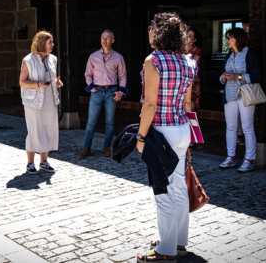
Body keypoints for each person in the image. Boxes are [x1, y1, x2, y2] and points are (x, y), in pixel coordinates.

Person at [135, 13, 196, 263]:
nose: (149, 31)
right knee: (179, 186)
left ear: (158, 32)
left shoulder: (153, 61)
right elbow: (188, 102)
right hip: (182, 129)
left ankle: (166, 249)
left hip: (161, 132)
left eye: (151, 27)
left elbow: (150, 104)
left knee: (163, 190)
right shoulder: (187, 62)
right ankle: (179, 242)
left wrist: (140, 136)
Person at [19, 31, 63, 174]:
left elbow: (52, 77)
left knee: (48, 130)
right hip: (33, 102)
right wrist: (38, 85)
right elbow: (22, 82)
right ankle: (30, 163)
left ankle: (44, 161)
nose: (53, 45)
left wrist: (57, 82)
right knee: (34, 131)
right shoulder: (28, 60)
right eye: (50, 42)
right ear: (42, 43)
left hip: (50, 100)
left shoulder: (53, 59)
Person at [79, 29, 127, 159]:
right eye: (103, 38)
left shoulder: (118, 57)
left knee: (110, 122)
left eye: (108, 38)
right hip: (97, 92)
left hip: (111, 92)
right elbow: (87, 74)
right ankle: (86, 148)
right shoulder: (93, 57)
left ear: (113, 40)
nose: (105, 41)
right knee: (91, 122)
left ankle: (106, 147)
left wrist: (121, 92)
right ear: (100, 40)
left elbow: (122, 76)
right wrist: (92, 88)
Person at [218, 27, 260, 172]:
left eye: (230, 37)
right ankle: (230, 157)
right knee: (230, 127)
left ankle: (250, 159)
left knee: (247, 127)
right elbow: (222, 74)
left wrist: (238, 77)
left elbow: (256, 76)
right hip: (229, 95)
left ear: (238, 39)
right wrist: (223, 77)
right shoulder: (229, 55)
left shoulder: (250, 54)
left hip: (245, 94)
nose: (227, 40)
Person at [184, 26, 202, 110]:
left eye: (190, 36)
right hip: (182, 81)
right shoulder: (181, 50)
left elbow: (192, 65)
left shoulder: (197, 50)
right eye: (187, 35)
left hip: (193, 81)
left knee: (191, 105)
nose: (188, 37)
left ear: (194, 40)